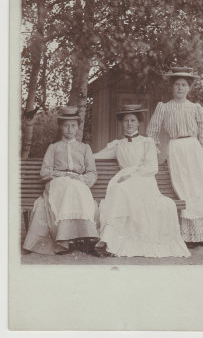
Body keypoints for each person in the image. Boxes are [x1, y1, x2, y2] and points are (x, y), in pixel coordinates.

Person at [93, 105, 191, 258]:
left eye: (133, 120)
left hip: (144, 180)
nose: (129, 124)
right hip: (123, 179)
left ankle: (107, 240)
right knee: (119, 190)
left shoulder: (147, 142)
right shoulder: (117, 144)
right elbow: (96, 156)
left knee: (121, 190)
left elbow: (152, 167)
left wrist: (132, 175)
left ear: (139, 123)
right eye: (126, 121)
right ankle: (110, 242)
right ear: (122, 123)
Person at [146, 67, 203, 251]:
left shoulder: (195, 108)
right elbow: (152, 132)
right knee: (184, 189)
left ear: (189, 88)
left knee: (201, 189)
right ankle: (189, 235)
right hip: (176, 150)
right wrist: (157, 151)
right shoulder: (164, 107)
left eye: (183, 85)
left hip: (194, 149)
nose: (180, 88)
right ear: (172, 87)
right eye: (177, 85)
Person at [23, 106, 99, 255]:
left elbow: (92, 172)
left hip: (78, 181)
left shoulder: (84, 148)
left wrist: (83, 178)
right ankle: (64, 240)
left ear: (78, 127)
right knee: (69, 185)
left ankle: (85, 238)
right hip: (57, 182)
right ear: (61, 127)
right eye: (66, 125)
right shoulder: (53, 148)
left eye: (73, 126)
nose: (69, 129)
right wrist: (60, 175)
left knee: (76, 187)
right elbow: (45, 171)